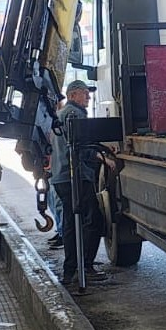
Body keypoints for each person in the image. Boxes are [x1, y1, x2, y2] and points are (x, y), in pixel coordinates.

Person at [52, 80, 109, 289]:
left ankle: (71, 269)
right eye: (85, 93)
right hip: (74, 176)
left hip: (62, 177)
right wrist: (103, 157)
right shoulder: (74, 115)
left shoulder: (62, 114)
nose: (88, 97)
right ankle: (84, 268)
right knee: (92, 220)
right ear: (73, 95)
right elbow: (81, 148)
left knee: (70, 223)